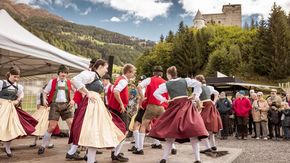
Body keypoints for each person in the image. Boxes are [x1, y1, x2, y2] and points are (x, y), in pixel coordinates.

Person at [69, 59, 125, 163]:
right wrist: (87, 92)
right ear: (100, 67)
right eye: (106, 68)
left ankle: (91, 159)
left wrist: (85, 92)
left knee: (94, 134)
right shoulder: (91, 74)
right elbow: (74, 80)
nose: (106, 70)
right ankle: (89, 159)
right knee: (93, 133)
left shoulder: (96, 77)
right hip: (91, 106)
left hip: (95, 105)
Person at [149, 66, 208, 163]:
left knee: (170, 133)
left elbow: (155, 93)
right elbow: (198, 83)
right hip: (186, 106)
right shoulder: (185, 80)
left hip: (174, 107)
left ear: (169, 75)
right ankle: (197, 159)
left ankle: (164, 158)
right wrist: (195, 95)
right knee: (193, 132)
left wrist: (165, 100)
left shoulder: (167, 84)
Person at [0, 66, 38, 157]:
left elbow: (20, 96)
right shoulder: (2, 83)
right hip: (1, 108)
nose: (16, 78)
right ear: (9, 75)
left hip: (11, 110)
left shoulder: (19, 86)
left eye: (18, 77)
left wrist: (17, 101)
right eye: (14, 76)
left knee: (10, 129)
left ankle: (7, 148)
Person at [38, 65, 75, 155]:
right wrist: (45, 99)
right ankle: (43, 145)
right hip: (55, 105)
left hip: (66, 105)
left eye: (66, 73)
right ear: (59, 73)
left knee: (71, 125)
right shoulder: (52, 81)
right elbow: (45, 92)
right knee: (52, 127)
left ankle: (72, 148)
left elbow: (76, 92)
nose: (64, 74)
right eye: (62, 72)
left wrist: (73, 100)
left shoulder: (69, 82)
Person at [132, 66, 169, 155]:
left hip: (151, 106)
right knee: (166, 126)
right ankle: (172, 148)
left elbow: (139, 86)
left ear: (153, 73)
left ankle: (139, 149)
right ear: (162, 74)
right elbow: (169, 96)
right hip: (162, 107)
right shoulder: (166, 82)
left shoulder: (149, 79)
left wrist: (142, 97)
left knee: (143, 125)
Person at [108, 64, 136, 162]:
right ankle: (115, 154)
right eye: (133, 72)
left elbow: (113, 90)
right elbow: (116, 91)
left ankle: (115, 152)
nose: (134, 74)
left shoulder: (120, 79)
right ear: (128, 72)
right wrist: (121, 104)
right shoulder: (123, 80)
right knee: (125, 131)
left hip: (114, 108)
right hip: (119, 109)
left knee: (118, 131)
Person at [195, 75, 222, 152]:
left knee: (202, 127)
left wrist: (198, 105)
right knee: (210, 127)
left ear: (198, 81)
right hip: (210, 106)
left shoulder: (198, 88)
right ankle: (213, 146)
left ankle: (208, 147)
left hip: (205, 106)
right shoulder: (208, 87)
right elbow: (216, 93)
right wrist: (213, 102)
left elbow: (197, 98)